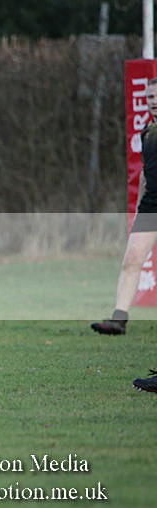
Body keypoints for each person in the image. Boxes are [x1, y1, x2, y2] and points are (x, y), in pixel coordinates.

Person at [91, 77, 157, 336]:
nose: (154, 101)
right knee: (131, 259)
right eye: (150, 97)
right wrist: (139, 206)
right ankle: (119, 320)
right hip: (150, 206)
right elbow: (145, 174)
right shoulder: (146, 132)